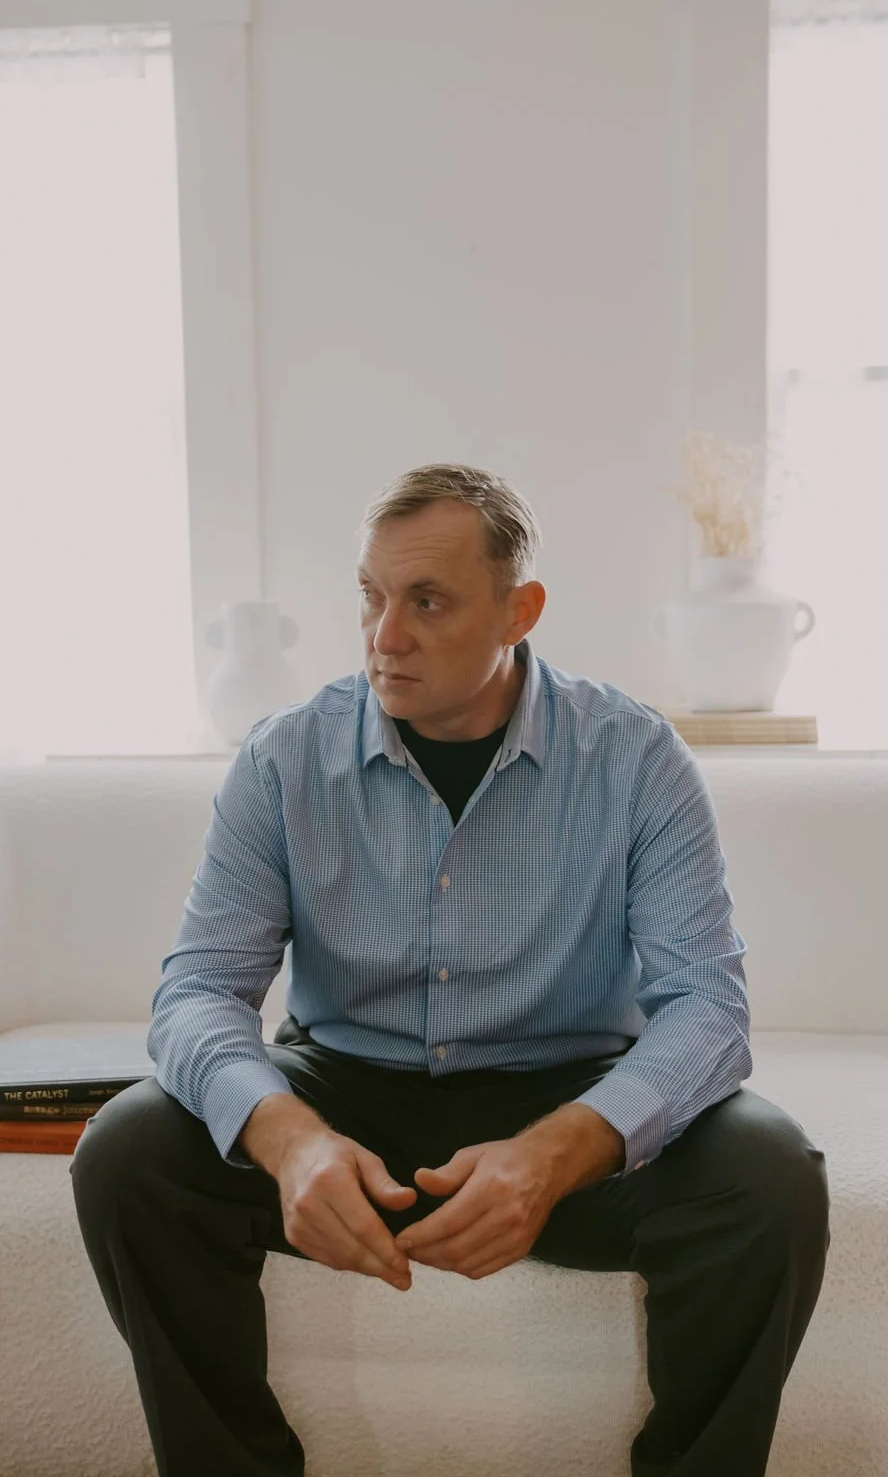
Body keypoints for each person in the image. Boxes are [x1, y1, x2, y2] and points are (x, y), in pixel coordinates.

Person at [70, 462, 830, 1477]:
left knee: (770, 1175)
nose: (385, 636)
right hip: (344, 1089)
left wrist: (555, 1155)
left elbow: (708, 1008)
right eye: (371, 597)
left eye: (426, 602)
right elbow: (198, 992)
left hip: (568, 1096)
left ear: (520, 610)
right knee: (128, 1151)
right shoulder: (283, 759)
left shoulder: (636, 758)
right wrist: (291, 1143)